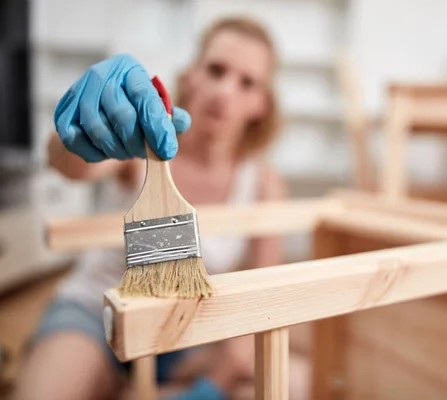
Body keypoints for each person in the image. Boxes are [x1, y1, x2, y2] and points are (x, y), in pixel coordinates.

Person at [13, 16, 309, 400]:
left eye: (246, 82)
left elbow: (265, 300)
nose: (224, 91)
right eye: (215, 70)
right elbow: (72, 167)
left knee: (295, 383)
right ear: (190, 76)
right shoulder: (141, 144)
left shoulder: (265, 183)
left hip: (184, 335)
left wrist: (212, 382)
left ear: (262, 104)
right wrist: (74, 137)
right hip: (95, 312)